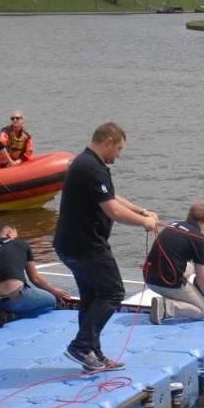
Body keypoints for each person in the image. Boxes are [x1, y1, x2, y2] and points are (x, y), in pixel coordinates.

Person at [53, 122, 158, 373]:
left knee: (92, 297)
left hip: (71, 244)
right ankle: (81, 346)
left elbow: (111, 197)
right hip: (85, 246)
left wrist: (141, 210)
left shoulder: (89, 164)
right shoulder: (90, 167)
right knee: (112, 293)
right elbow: (112, 210)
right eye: (119, 149)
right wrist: (145, 222)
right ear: (108, 142)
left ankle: (92, 354)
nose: (119, 155)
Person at [144, 203, 204, 325]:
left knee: (189, 267)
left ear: (188, 215)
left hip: (148, 277)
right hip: (166, 282)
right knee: (202, 310)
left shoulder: (172, 225)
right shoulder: (200, 240)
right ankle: (165, 307)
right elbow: (202, 279)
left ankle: (174, 296)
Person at [0, 223, 71, 320]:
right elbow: (35, 278)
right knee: (50, 301)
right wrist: (54, 291)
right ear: (9, 233)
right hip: (15, 297)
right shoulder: (20, 243)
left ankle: (4, 315)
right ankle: (18, 319)